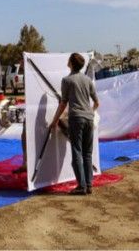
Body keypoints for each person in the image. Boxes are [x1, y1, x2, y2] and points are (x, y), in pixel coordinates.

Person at [51, 53, 99, 195]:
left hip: (76, 119)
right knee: (87, 153)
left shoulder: (67, 80)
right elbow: (97, 103)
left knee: (77, 152)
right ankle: (89, 185)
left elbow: (63, 103)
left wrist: (55, 121)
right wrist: (89, 112)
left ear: (71, 63)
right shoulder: (87, 80)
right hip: (89, 119)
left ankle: (81, 186)